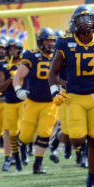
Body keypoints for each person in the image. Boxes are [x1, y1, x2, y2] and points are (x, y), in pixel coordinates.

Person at [48, 5, 94, 187]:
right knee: (77, 139)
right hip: (74, 96)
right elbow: (53, 72)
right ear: (74, 23)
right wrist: (55, 91)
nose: (86, 23)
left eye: (89, 19)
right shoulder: (65, 42)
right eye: (82, 19)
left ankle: (92, 180)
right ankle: (64, 142)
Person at [14, 28, 58, 174]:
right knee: (25, 136)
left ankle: (37, 165)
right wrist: (18, 89)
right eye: (48, 40)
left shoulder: (58, 55)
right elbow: (18, 75)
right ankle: (23, 147)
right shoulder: (31, 55)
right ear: (40, 42)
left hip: (51, 102)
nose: (51, 44)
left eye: (52, 40)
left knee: (45, 132)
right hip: (32, 101)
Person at [0, 39, 26, 172]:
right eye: (10, 49)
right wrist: (11, 80)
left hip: (24, 101)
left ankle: (23, 153)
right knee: (9, 132)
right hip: (10, 102)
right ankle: (9, 158)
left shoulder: (26, 63)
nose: (12, 51)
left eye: (15, 49)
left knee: (24, 131)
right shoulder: (2, 65)